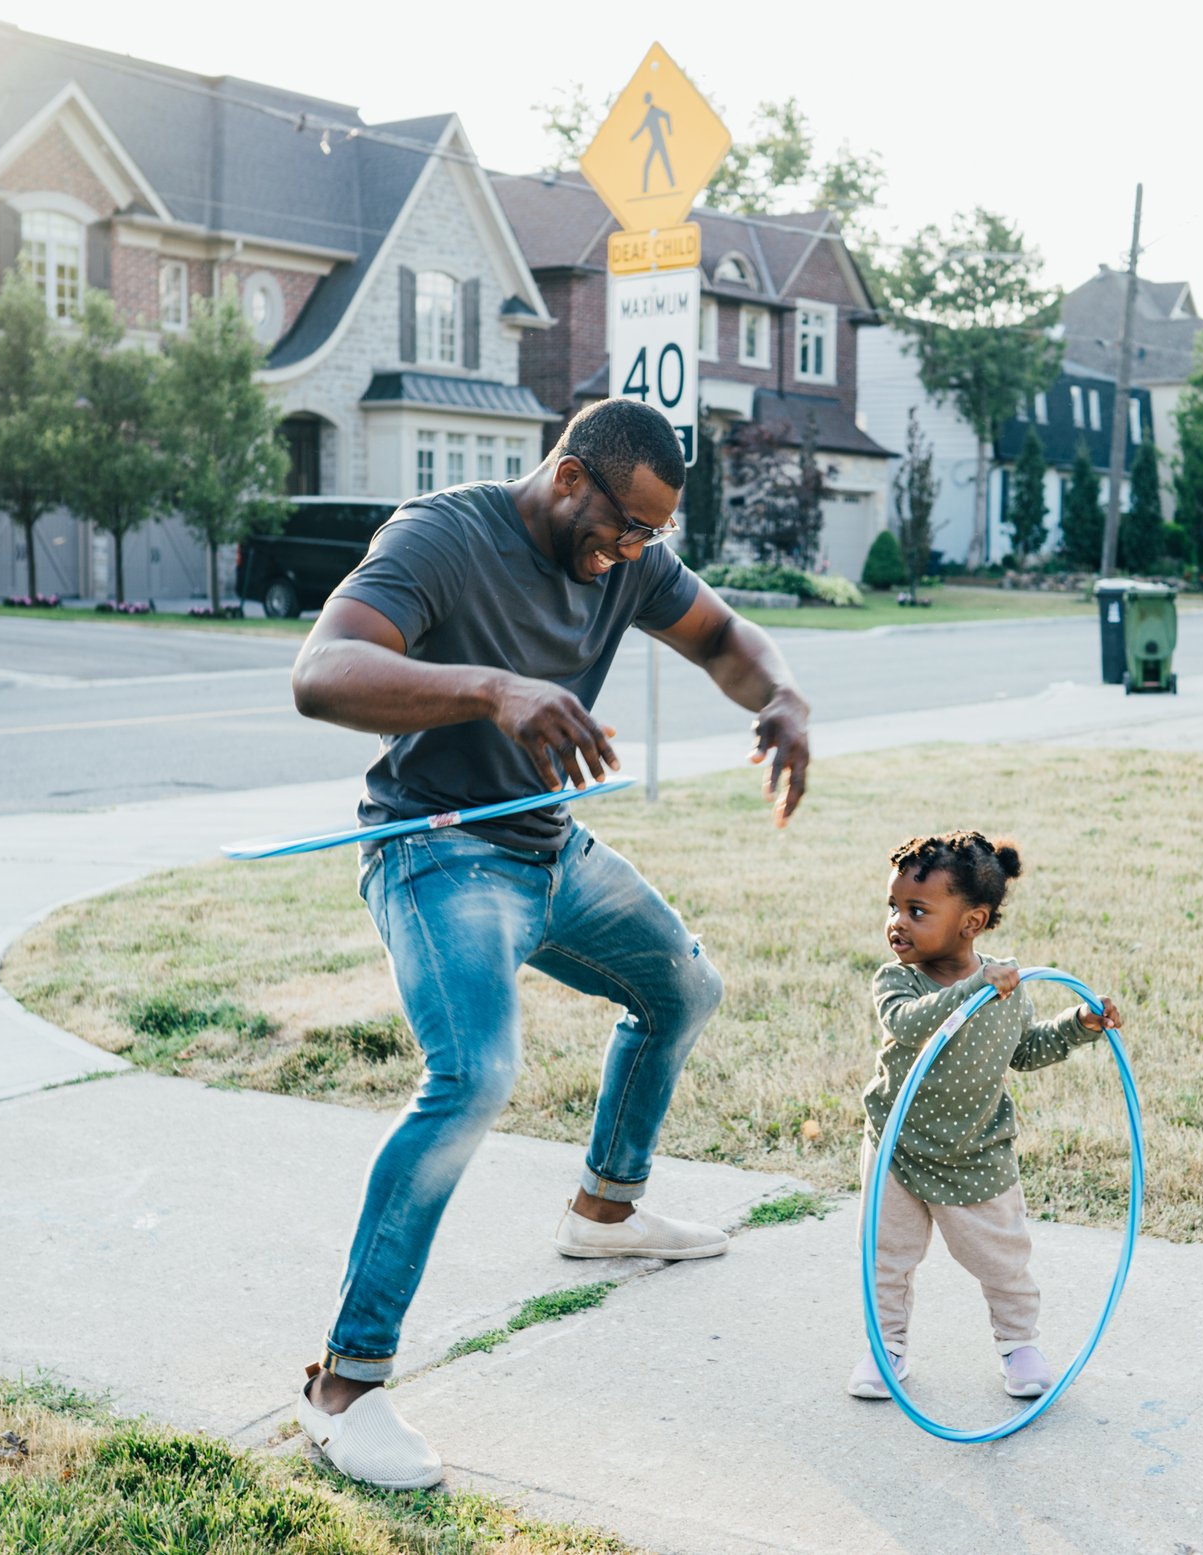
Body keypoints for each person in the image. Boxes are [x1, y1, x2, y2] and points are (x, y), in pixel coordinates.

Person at [288, 397, 811, 1488]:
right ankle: (344, 1386)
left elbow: (720, 636)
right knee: (473, 1075)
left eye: (649, 540)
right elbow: (321, 672)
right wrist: (490, 688)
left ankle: (604, 1211)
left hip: (547, 850)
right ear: (569, 477)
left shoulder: (626, 559)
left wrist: (781, 698)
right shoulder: (441, 535)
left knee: (683, 988)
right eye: (623, 528)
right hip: (433, 851)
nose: (630, 556)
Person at [851, 831, 1121, 1403]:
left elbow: (1023, 1051)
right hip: (897, 1144)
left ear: (971, 922)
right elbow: (907, 1023)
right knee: (885, 1257)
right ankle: (886, 1349)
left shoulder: (1006, 984)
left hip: (975, 1150)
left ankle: (1019, 1344)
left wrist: (1078, 1024)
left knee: (1001, 1258)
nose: (897, 922)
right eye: (893, 907)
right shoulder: (899, 980)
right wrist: (973, 988)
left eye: (917, 911)